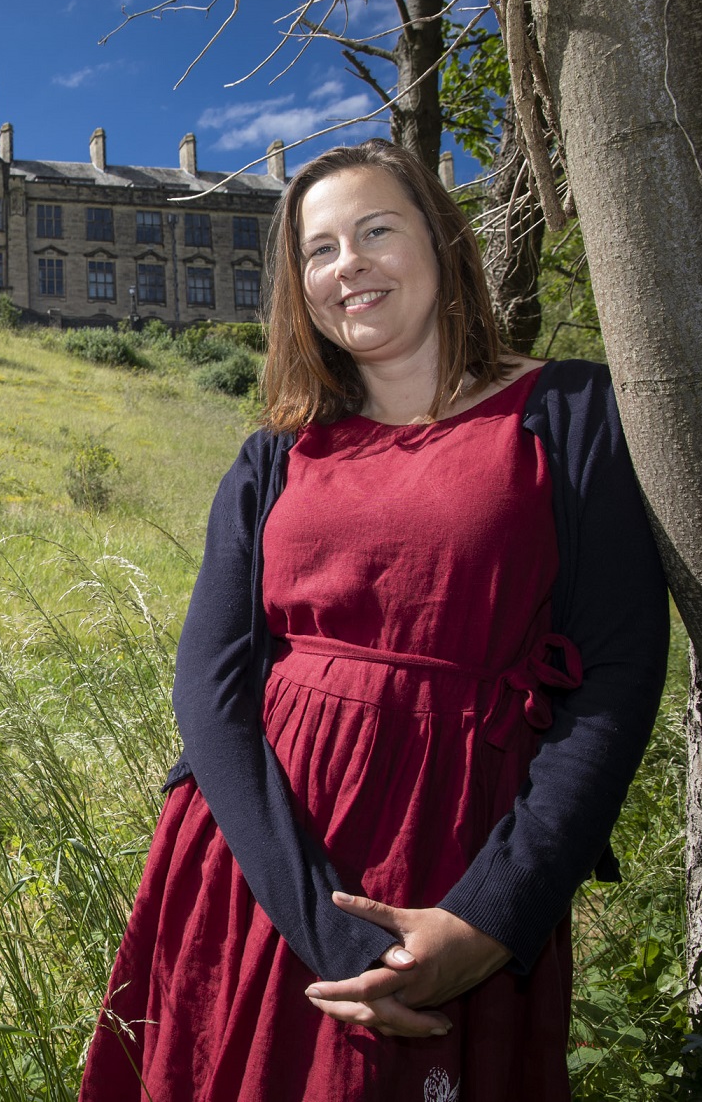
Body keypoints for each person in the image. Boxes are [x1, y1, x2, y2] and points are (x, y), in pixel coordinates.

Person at [79, 140, 669, 1101]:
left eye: (374, 230)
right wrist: (331, 931)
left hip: (460, 865)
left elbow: (616, 675)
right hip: (259, 874)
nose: (344, 262)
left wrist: (488, 918)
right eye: (317, 249)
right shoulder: (271, 456)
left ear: (442, 241)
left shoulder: (567, 412)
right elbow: (210, 695)